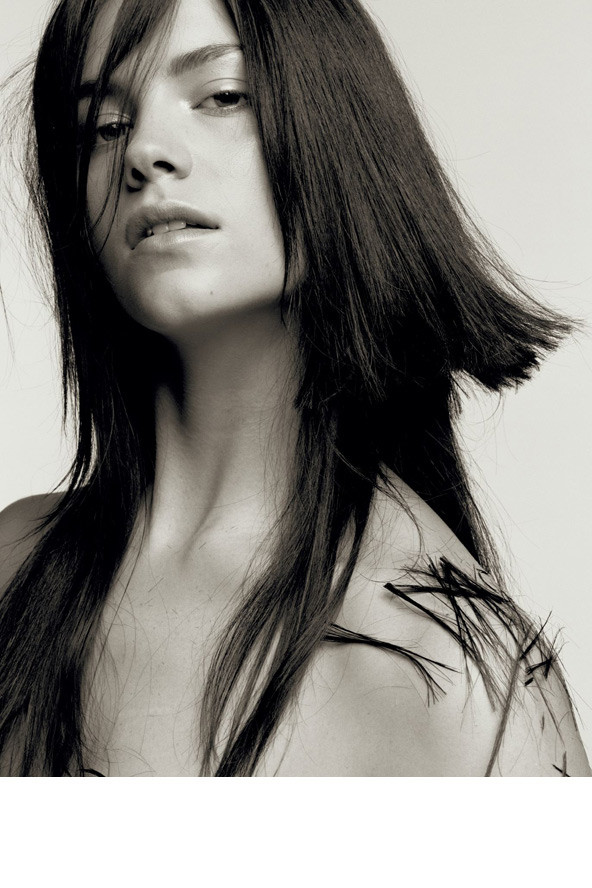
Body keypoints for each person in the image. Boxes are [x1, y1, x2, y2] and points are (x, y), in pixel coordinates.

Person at [0, 0, 589, 778]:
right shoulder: (14, 565)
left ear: (335, 134)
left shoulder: (452, 676)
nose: (142, 150)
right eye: (104, 127)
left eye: (222, 96)